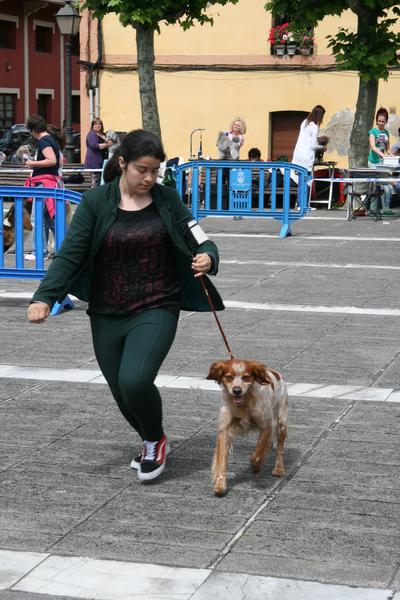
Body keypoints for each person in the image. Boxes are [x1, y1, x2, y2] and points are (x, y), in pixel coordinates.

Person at [27, 129, 223, 483]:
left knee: (134, 380)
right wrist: (44, 296)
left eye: (155, 171)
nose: (149, 178)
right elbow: (70, 254)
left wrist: (208, 257)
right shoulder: (95, 202)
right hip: (107, 309)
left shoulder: (167, 200)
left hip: (157, 304)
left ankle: (154, 443)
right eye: (141, 170)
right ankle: (153, 437)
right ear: (122, 163)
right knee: (120, 390)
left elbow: (201, 239)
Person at [24, 115, 63, 262]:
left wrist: (32, 163)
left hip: (44, 184)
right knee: (49, 220)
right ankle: (65, 247)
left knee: (36, 219)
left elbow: (52, 160)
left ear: (33, 130)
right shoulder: (51, 140)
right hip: (50, 183)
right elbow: (58, 161)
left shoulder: (43, 141)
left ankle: (39, 252)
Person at [368, 107, 392, 213]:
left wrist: (391, 155)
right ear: (376, 121)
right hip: (373, 162)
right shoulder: (373, 131)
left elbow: (388, 149)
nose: (381, 123)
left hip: (382, 163)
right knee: (375, 185)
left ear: (386, 121)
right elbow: (373, 147)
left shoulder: (386, 133)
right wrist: (383, 155)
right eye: (379, 121)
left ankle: (385, 209)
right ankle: (373, 209)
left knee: (384, 185)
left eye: (383, 121)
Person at [292, 105, 326, 173]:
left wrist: (318, 139)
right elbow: (313, 145)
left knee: (296, 177)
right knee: (307, 178)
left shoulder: (304, 123)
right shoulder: (314, 127)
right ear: (320, 115)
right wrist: (322, 147)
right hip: (306, 158)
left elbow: (306, 138)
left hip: (297, 156)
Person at [84, 118, 113, 187]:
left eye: (99, 124)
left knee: (102, 183)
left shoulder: (104, 134)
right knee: (96, 183)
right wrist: (108, 144)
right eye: (95, 124)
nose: (98, 125)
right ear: (92, 125)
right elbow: (95, 146)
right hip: (95, 163)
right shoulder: (91, 134)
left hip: (104, 162)